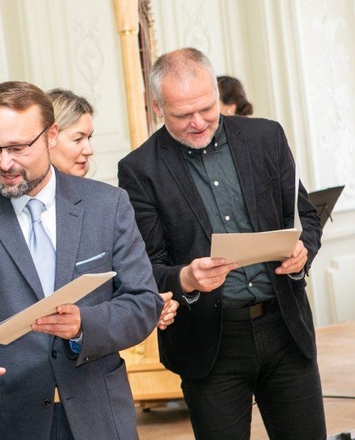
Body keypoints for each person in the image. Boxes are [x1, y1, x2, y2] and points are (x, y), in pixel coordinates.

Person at [0, 81, 163, 439]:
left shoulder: (108, 205)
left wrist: (83, 324)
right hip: (9, 421)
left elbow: (144, 303)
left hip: (99, 417)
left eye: (17, 148)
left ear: (51, 135)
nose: (4, 163)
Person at [118, 48, 325, 439]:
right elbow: (146, 267)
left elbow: (307, 218)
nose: (198, 123)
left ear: (217, 93)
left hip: (285, 327)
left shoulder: (266, 137)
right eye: (183, 115)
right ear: (158, 108)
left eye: (207, 108)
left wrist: (303, 252)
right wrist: (186, 278)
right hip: (209, 344)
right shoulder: (139, 170)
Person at [47, 87, 178, 330]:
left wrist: (147, 308)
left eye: (89, 138)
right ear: (48, 138)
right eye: (78, 139)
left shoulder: (107, 204)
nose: (89, 149)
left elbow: (126, 289)